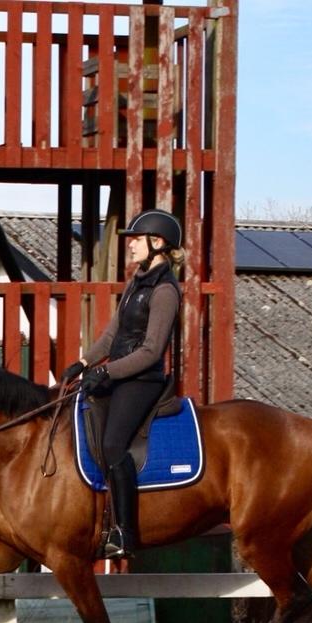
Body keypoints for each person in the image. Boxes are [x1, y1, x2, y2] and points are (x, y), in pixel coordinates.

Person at [61, 209, 185, 559]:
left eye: (136, 239)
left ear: (157, 243)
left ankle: (126, 535)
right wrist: (85, 362)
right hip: (118, 373)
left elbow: (150, 351)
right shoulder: (138, 281)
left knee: (114, 444)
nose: (130, 246)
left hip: (142, 381)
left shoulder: (164, 291)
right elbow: (114, 333)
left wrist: (108, 372)